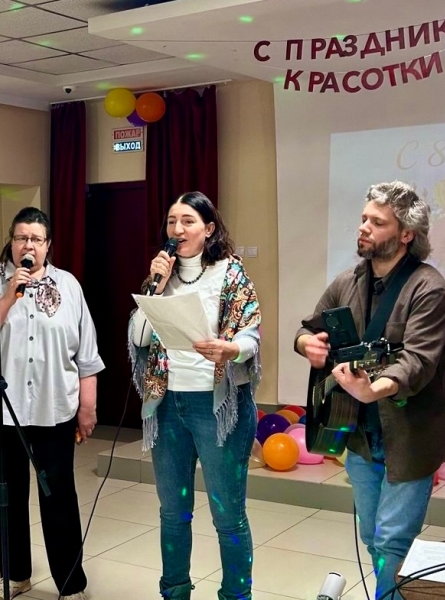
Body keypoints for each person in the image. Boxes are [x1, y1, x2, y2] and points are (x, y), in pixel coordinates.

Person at [295, 181, 445, 599]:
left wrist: (373, 389)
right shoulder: (347, 281)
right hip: (361, 437)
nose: (363, 227)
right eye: (364, 218)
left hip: (410, 437)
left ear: (406, 235)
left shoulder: (429, 288)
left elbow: (417, 362)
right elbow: (308, 328)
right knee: (372, 537)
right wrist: (307, 344)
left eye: (377, 222)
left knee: (392, 542)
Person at [0, 207, 104, 600]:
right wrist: (9, 296)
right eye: (21, 237)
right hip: (2, 411)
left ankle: (70, 584)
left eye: (36, 239)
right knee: (9, 495)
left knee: (59, 495)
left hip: (54, 409)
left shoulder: (68, 285)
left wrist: (87, 407)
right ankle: (16, 575)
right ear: (11, 241)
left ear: (48, 245)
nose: (28, 245)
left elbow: (86, 352)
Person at [128, 191, 262, 600]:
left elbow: (252, 336)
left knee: (228, 515)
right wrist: (156, 286)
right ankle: (175, 592)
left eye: (188, 221)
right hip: (168, 405)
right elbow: (138, 337)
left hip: (217, 406)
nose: (178, 229)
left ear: (209, 229)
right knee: (173, 512)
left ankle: (236, 595)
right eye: (172, 221)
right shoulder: (160, 277)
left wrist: (231, 349)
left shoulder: (230, 274)